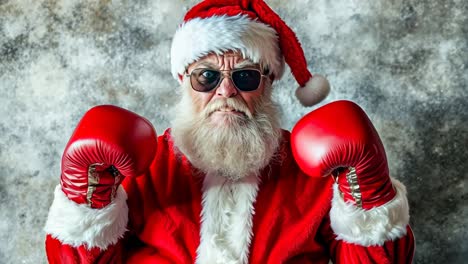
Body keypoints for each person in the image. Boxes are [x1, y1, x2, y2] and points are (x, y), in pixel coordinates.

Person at [44, 0, 415, 263]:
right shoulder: (142, 164)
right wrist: (86, 197)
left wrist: (369, 193)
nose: (225, 91)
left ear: (267, 85)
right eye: (206, 76)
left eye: (245, 76)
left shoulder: (315, 170)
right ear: (184, 83)